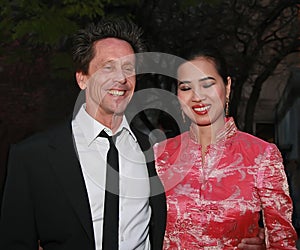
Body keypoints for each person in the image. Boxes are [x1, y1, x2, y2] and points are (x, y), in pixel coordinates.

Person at [0, 19, 166, 250]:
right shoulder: (32, 156)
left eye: (128, 69)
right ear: (82, 78)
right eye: (108, 67)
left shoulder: (155, 151)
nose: (121, 78)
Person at [153, 46, 298, 249]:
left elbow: (283, 241)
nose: (197, 96)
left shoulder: (262, 155)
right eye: (186, 88)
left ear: (227, 86)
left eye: (207, 85)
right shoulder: (159, 155)